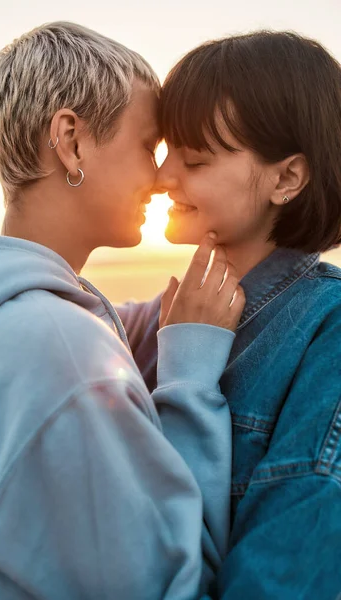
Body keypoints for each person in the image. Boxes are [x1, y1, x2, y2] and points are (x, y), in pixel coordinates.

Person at [0, 22, 245, 600]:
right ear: (72, 141)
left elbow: (114, 324)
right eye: (147, 145)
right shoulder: (59, 350)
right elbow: (173, 588)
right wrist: (188, 381)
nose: (160, 177)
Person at [124, 30, 341, 599]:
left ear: (286, 178)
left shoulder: (330, 332)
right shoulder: (159, 318)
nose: (162, 176)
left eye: (194, 159)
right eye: (167, 150)